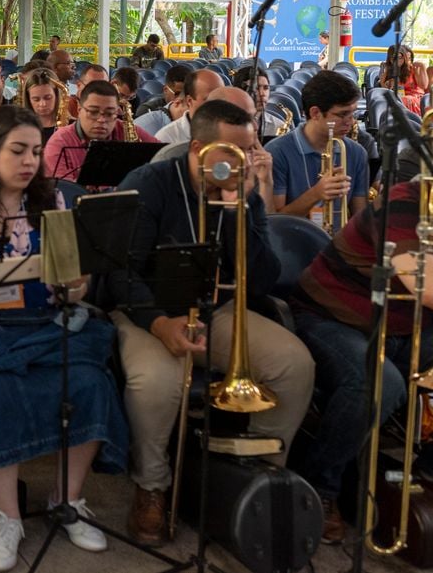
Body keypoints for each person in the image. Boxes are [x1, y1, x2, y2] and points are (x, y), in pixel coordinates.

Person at [0, 107, 127, 564]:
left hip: (43, 325)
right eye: (17, 150)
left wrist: (74, 285)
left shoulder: (52, 204)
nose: (29, 160)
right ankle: (7, 516)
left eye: (36, 151)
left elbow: (77, 280)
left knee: (91, 381)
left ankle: (66, 501)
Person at [107, 100, 315, 546]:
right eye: (233, 152)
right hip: (150, 313)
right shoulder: (149, 184)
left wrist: (243, 210)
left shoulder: (242, 191)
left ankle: (255, 474)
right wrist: (162, 324)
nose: (243, 160)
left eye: (251, 147)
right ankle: (151, 485)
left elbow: (261, 280)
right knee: (157, 381)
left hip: (217, 309)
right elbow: (119, 273)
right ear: (198, 148)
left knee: (294, 365)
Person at [290, 178, 433, 543]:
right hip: (333, 317)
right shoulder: (404, 202)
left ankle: (417, 471)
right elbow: (426, 287)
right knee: (380, 383)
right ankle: (321, 483)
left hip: (404, 324)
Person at [267, 70, 368, 230]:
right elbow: (274, 223)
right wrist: (316, 193)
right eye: (343, 115)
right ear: (315, 113)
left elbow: (360, 219)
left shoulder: (357, 153)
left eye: (353, 113)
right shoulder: (277, 152)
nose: (351, 122)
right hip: (290, 248)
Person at [43, 81, 157, 182]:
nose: (102, 120)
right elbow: (66, 192)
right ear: (79, 110)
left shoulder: (126, 128)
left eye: (109, 113)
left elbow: (163, 155)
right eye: (93, 112)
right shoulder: (59, 142)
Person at [154, 69, 223, 144]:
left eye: (221, 99)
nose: (217, 105)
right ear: (189, 101)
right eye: (209, 99)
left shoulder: (230, 130)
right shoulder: (167, 137)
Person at [230, 65, 286, 135]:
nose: (262, 94)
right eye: (256, 88)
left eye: (266, 88)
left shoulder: (278, 126)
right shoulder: (224, 126)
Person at [22, 68, 68, 143]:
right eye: (36, 99)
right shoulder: (20, 127)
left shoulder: (72, 126)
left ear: (57, 95)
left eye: (48, 98)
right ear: (28, 99)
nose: (42, 104)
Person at [380, 43, 428, 114]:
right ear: (390, 58)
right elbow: (383, 87)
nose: (397, 60)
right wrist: (388, 84)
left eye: (400, 57)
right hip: (397, 98)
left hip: (415, 98)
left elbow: (424, 86)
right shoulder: (389, 70)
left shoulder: (413, 68)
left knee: (405, 100)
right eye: (394, 57)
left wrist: (421, 69)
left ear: (404, 57)